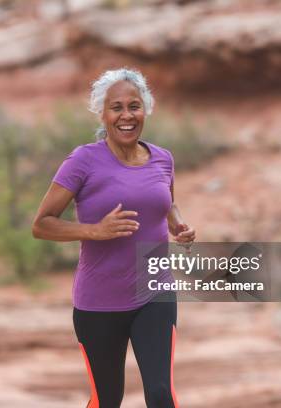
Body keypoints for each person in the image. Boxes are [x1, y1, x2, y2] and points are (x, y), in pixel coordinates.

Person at [32, 68, 196, 408]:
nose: (126, 116)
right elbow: (42, 224)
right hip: (99, 301)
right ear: (103, 114)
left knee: (161, 394)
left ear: (145, 110)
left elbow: (167, 202)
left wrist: (178, 225)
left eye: (134, 106)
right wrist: (94, 230)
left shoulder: (163, 159)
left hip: (155, 292)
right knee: (107, 400)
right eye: (116, 107)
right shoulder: (83, 161)